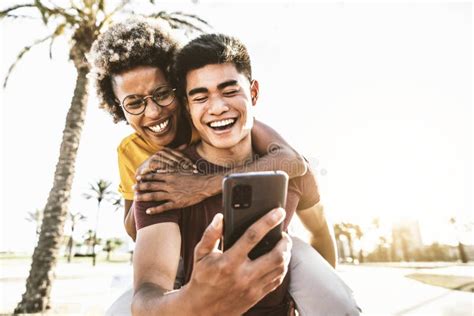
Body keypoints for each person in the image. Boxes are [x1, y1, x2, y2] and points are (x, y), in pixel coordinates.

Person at [132, 33, 360, 315]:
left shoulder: (294, 170)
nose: (218, 108)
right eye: (200, 96)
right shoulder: (165, 180)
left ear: (253, 93)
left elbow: (321, 233)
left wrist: (313, 298)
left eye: (229, 91)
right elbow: (146, 296)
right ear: (188, 107)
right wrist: (196, 300)